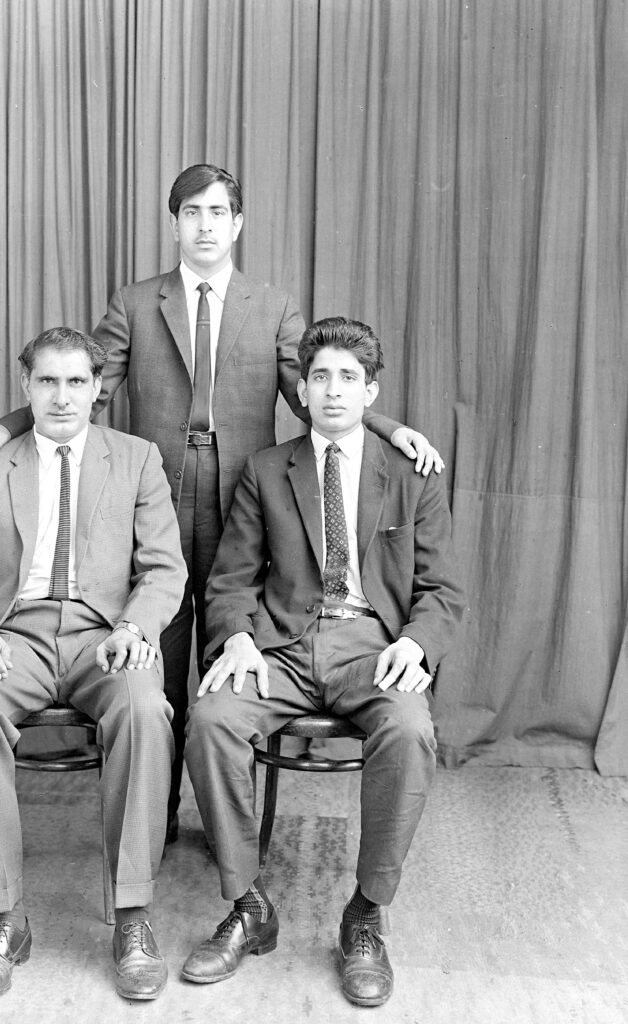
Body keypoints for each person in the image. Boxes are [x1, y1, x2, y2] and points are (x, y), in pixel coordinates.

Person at [0, 165, 444, 839]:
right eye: (192, 213)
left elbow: (319, 394)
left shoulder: (271, 306)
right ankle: (153, 815)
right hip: (152, 501)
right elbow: (79, 387)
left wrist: (391, 429)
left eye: (219, 212)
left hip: (243, 503)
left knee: (230, 651)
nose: (206, 225)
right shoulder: (135, 304)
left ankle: (223, 816)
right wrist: (8, 425)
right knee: (154, 650)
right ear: (176, 223)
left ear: (238, 223)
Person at [182, 317, 465, 1007]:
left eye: (348, 378)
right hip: (279, 646)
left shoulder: (410, 472)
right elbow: (230, 580)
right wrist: (237, 638)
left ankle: (365, 913)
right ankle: (249, 904)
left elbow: (443, 590)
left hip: (371, 646)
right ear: (300, 391)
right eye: (319, 377)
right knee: (212, 719)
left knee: (409, 729)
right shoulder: (266, 471)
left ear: (371, 392)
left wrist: (414, 644)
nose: (333, 391)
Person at [0, 328, 187, 1003]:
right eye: (48, 381)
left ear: (98, 388)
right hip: (12, 635)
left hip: (105, 636)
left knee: (142, 710)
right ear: (26, 387)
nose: (63, 395)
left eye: (77, 382)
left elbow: (165, 569)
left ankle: (131, 918)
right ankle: (3, 919)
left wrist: (136, 627)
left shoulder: (137, 459)